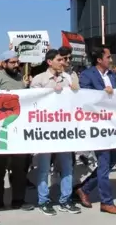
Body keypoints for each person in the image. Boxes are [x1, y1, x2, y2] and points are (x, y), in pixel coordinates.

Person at [74, 46, 116, 215]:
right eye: (108, 57)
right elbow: (84, 97)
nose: (111, 60)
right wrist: (102, 93)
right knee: (104, 163)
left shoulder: (111, 75)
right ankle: (106, 202)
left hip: (112, 125)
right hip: (98, 126)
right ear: (99, 60)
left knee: (111, 161)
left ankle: (85, 189)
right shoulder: (88, 75)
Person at [31, 49, 81, 216]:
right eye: (59, 59)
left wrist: (75, 88)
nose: (62, 62)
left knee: (67, 166)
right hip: (46, 131)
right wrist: (51, 92)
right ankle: (43, 200)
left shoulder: (67, 78)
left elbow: (77, 99)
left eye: (63, 59)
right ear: (49, 62)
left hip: (64, 130)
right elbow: (33, 102)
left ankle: (65, 199)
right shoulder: (39, 80)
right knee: (44, 168)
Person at [0, 50, 33, 211]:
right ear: (3, 63)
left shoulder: (21, 78)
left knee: (20, 169)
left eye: (17, 62)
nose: (16, 65)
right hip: (0, 131)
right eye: (12, 62)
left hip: (18, 132)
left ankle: (18, 200)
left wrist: (27, 87)